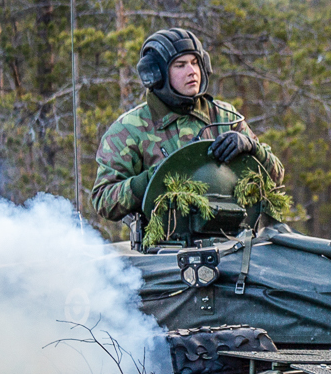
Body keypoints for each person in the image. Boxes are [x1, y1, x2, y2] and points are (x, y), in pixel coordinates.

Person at [85, 27, 278, 227]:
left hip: (233, 241)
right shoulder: (129, 130)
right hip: (164, 249)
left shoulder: (225, 116)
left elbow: (276, 176)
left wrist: (251, 148)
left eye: (195, 63)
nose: (192, 71)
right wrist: (151, 179)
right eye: (180, 65)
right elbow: (103, 200)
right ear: (156, 74)